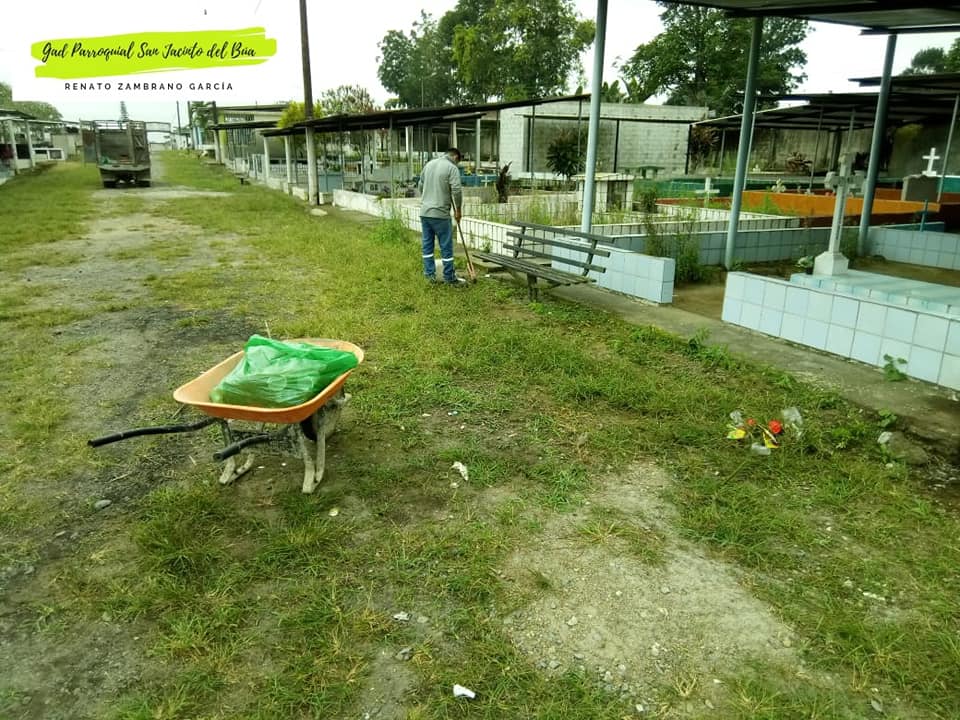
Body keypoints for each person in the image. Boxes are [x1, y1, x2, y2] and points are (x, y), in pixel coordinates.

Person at [418, 148, 466, 285]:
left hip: (425, 212)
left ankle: (429, 276)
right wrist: (458, 210)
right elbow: (456, 190)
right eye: (458, 162)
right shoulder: (452, 168)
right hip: (440, 214)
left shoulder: (429, 164)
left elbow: (420, 185)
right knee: (446, 246)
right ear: (455, 157)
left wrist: (428, 198)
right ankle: (449, 277)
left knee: (427, 245)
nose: (457, 164)